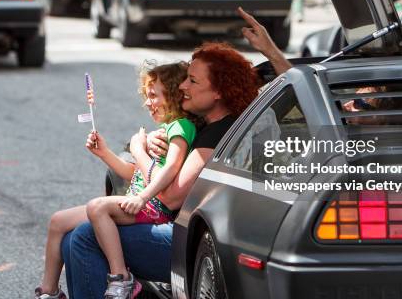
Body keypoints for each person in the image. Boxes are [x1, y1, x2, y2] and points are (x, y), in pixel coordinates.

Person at [60, 42, 262, 298]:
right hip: (183, 229)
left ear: (218, 92)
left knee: (84, 237)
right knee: (71, 237)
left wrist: (139, 150)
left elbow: (170, 197)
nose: (182, 86)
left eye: (193, 81)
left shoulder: (219, 133)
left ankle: (121, 281)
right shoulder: (202, 122)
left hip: (192, 242)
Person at [35, 62, 196, 299]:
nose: (147, 102)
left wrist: (142, 196)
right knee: (58, 222)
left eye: (153, 95)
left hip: (152, 207)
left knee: (97, 208)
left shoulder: (181, 127)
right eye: (146, 95)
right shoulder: (166, 130)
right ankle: (48, 292)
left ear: (173, 93)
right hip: (140, 201)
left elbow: (172, 167)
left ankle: (121, 277)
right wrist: (105, 153)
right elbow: (136, 174)